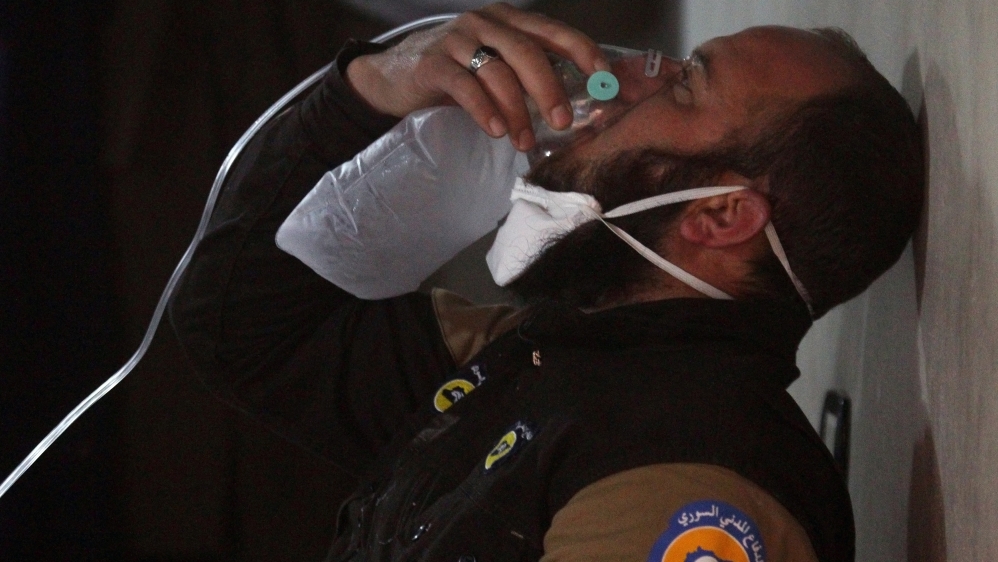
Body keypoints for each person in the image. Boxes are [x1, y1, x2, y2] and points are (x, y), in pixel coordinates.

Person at [169, 3, 923, 561]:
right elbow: (243, 328)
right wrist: (372, 86)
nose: (621, 82)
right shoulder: (541, 355)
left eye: (685, 86)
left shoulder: (695, 475)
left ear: (721, 215)